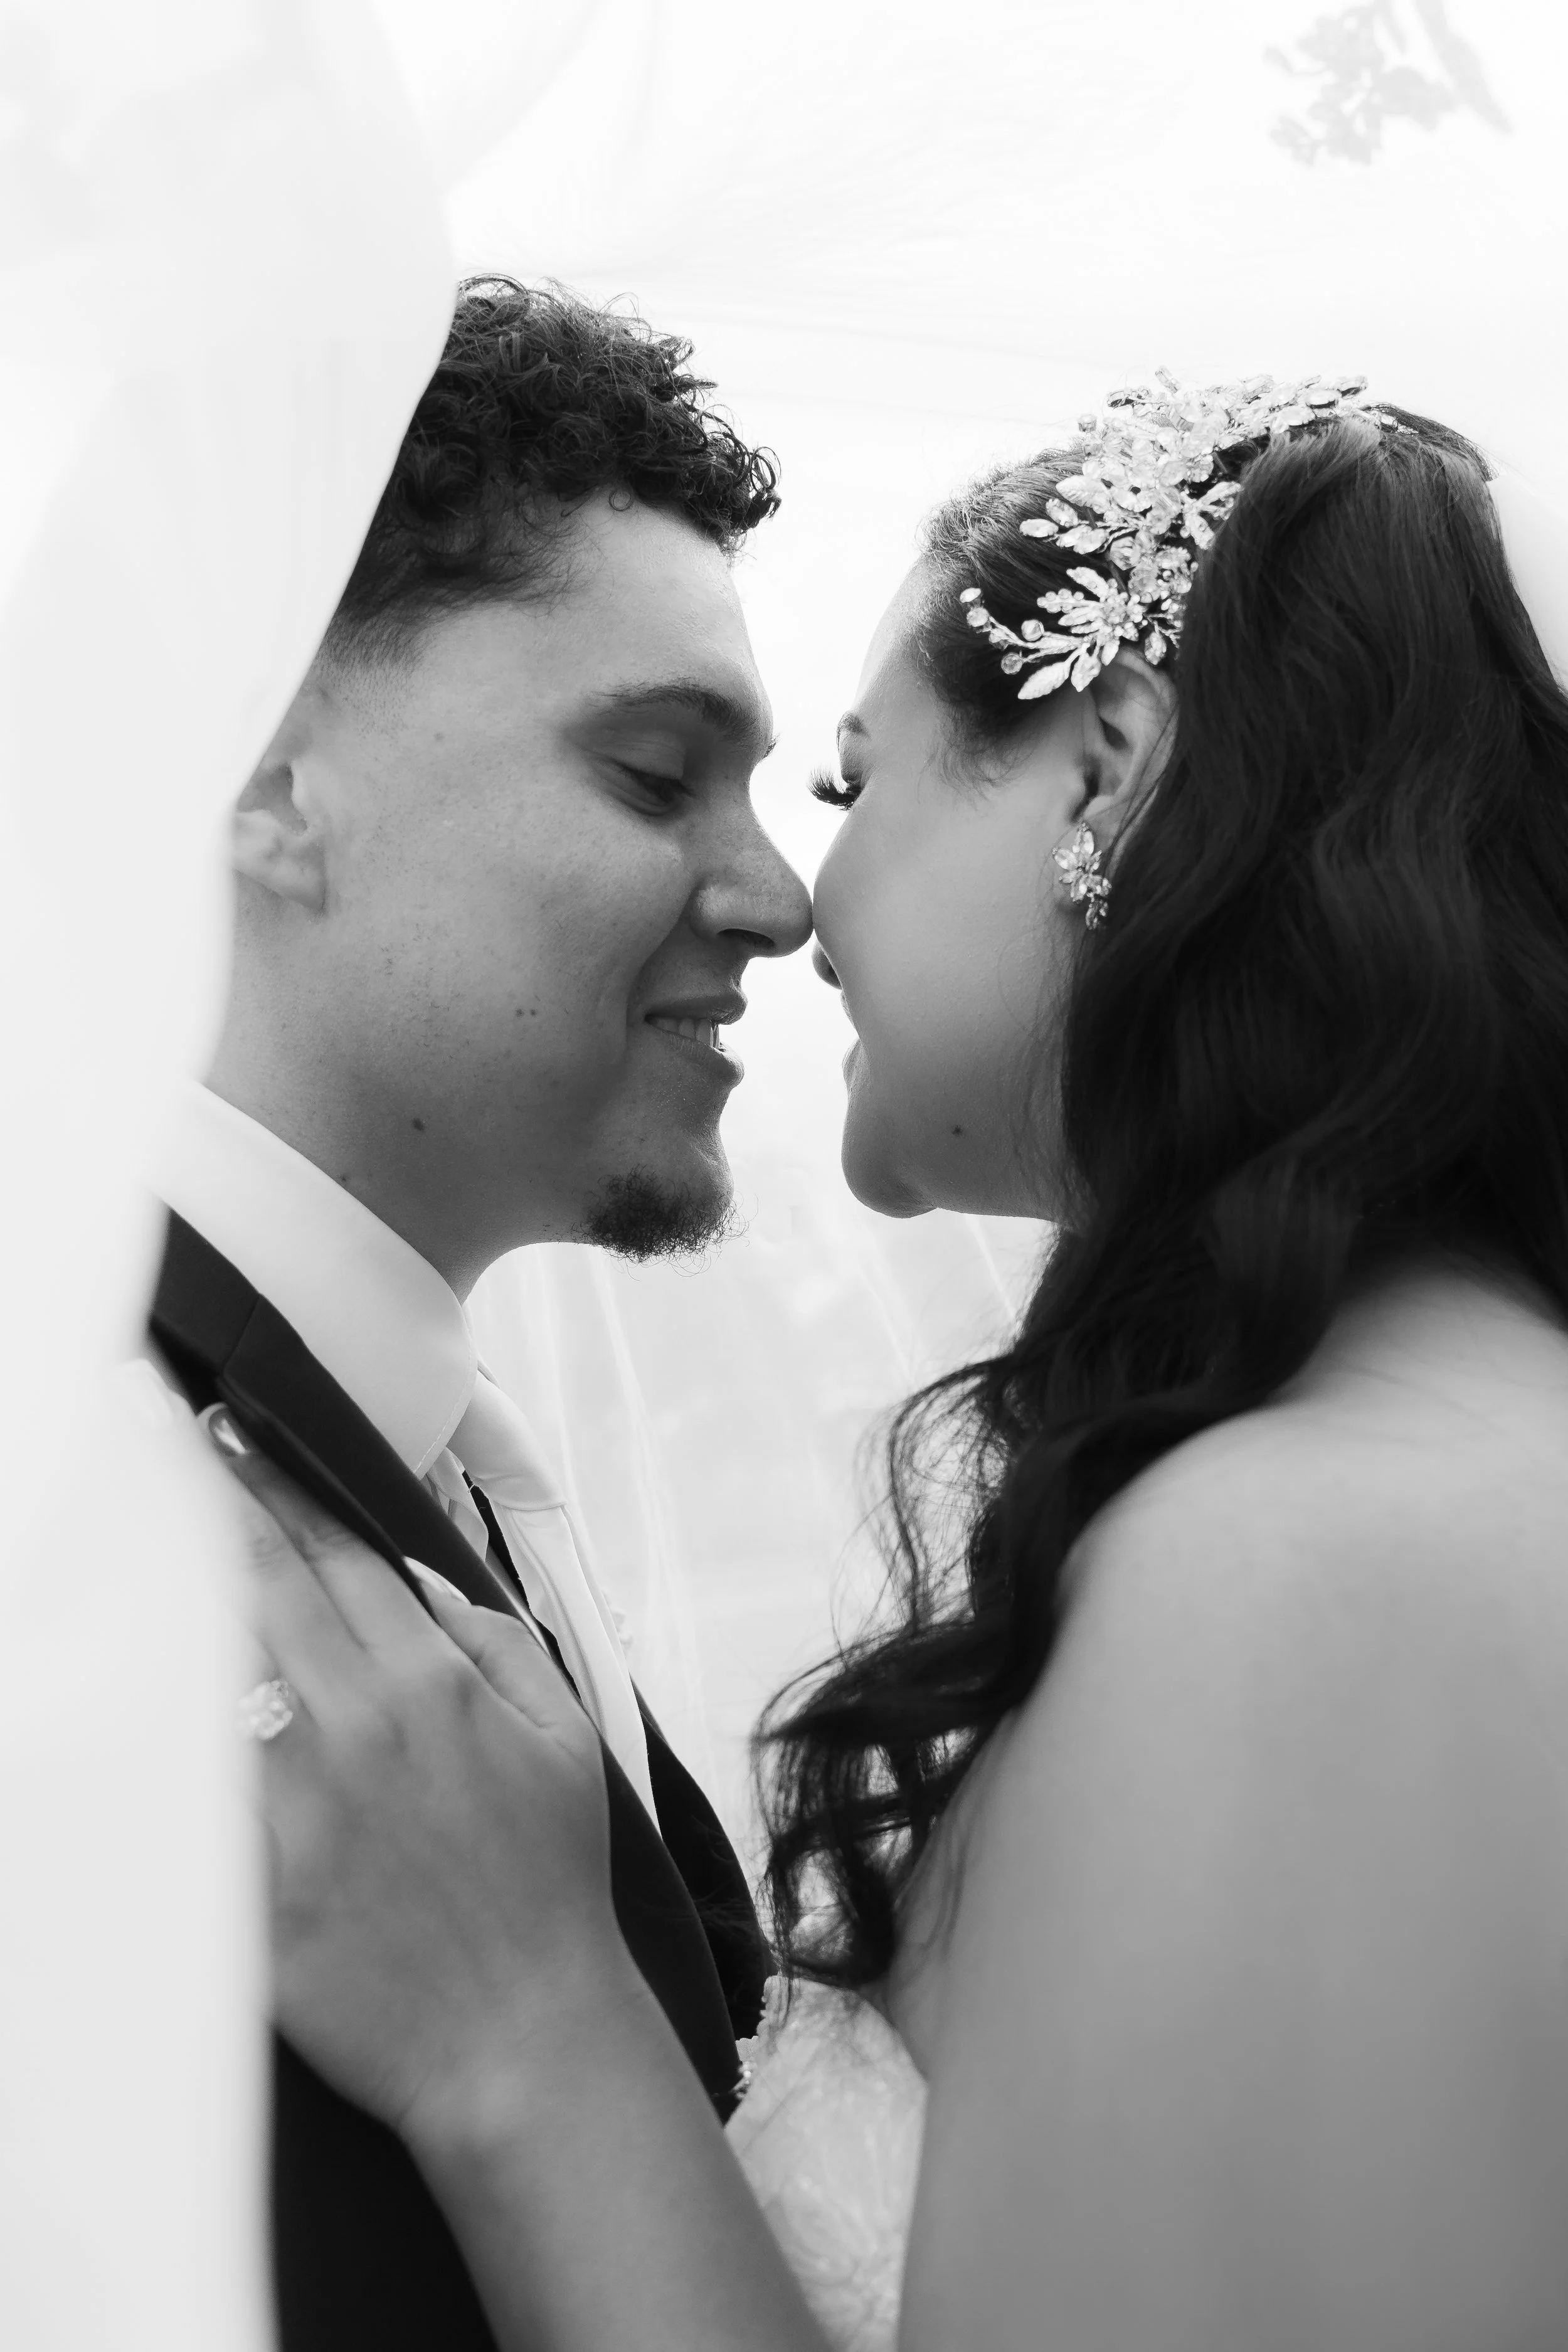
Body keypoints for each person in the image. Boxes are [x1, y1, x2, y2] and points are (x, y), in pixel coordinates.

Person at [220, 374, 1568, 2351]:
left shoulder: (1299, 1553)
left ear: (1107, 766)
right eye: (659, 775)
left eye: (849, 784)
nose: (785, 897)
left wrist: (536, 2039)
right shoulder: (1436, 1445)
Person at [144, 275, 813, 2352]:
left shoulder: (448, 1448)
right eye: (652, 772)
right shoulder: (79, 1466)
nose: (778, 896)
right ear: (268, 780)